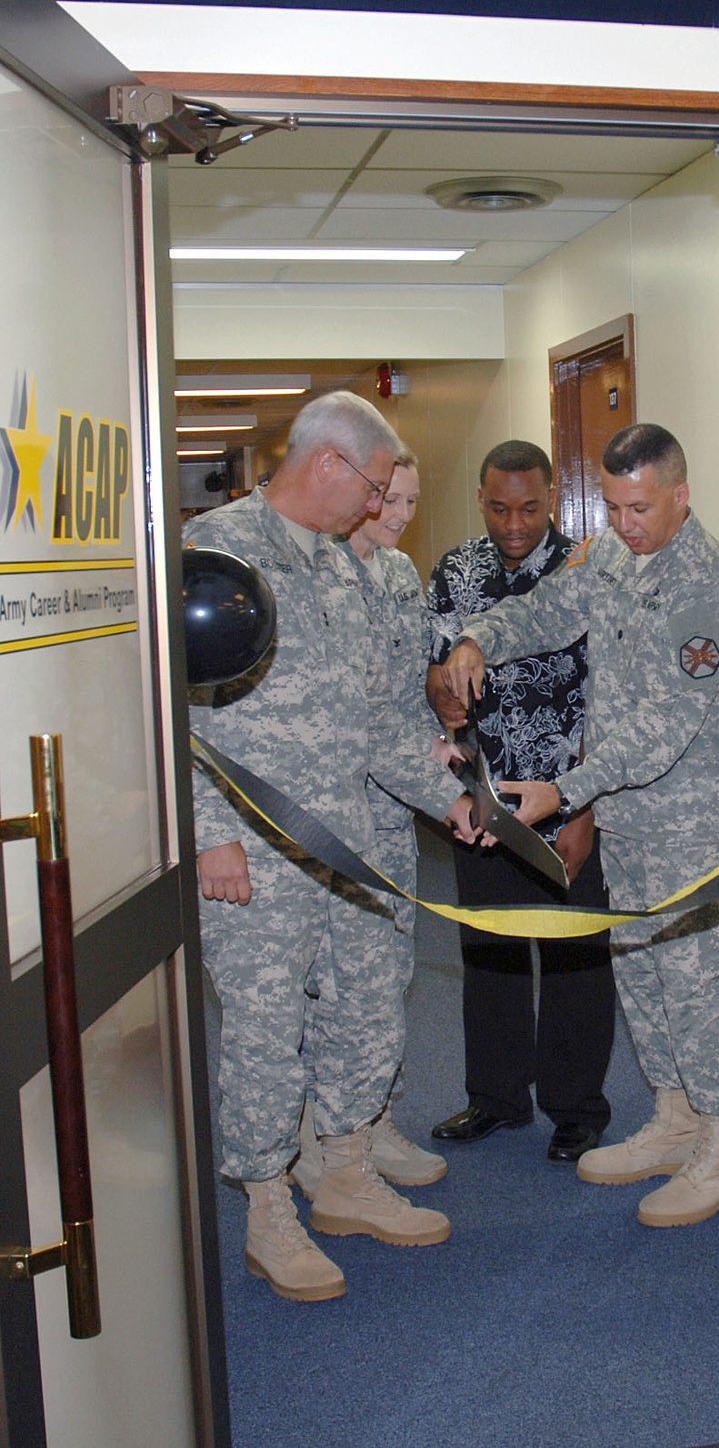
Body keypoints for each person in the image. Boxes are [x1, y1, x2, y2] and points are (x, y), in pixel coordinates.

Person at [186, 392, 480, 1303]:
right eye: (374, 486)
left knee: (366, 1008)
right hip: (256, 854)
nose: (379, 507)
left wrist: (454, 802)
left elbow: (377, 728)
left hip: (352, 847)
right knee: (268, 1033)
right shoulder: (210, 555)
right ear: (329, 465)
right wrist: (208, 835)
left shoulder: (347, 574)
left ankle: (344, 1168)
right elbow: (166, 716)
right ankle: (268, 1205)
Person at [441, 424, 719, 1226]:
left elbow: (662, 731)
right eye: (614, 506)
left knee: (703, 981)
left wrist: (564, 789)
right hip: (633, 819)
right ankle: (675, 1118)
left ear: (681, 495)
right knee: (644, 967)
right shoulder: (616, 558)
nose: (624, 523)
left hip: (697, 822)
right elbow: (551, 609)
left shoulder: (705, 592)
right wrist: (483, 635)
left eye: (641, 507)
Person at [426, 440, 616, 1165]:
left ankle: (574, 1106)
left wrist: (587, 806)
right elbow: (432, 672)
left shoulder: (586, 570)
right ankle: (497, 1098)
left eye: (530, 508)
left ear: (553, 502)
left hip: (566, 801)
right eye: (501, 507)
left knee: (574, 959)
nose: (515, 522)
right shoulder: (456, 571)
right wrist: (440, 694)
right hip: (483, 798)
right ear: (481, 499)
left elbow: (609, 698)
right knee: (492, 954)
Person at [292, 446, 450, 1195]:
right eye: (388, 498)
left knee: (390, 973)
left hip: (393, 807)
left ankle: (373, 1118)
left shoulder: (398, 576)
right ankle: (325, 1134)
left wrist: (436, 749)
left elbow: (403, 699)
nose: (399, 515)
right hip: (330, 813)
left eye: (413, 503)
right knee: (334, 983)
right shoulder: (315, 573)